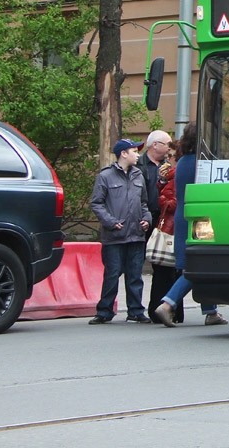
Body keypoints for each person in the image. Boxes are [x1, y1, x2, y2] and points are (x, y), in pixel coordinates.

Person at [154, 124, 228, 327]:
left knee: (199, 263)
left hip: (183, 216)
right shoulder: (202, 163)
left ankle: (211, 312)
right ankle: (168, 304)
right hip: (200, 220)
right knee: (199, 264)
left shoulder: (183, 162)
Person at [89, 138, 153, 324]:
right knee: (112, 274)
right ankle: (104, 311)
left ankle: (135, 311)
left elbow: (143, 203)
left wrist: (146, 220)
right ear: (123, 154)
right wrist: (110, 222)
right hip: (114, 236)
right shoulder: (105, 176)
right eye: (134, 151)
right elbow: (96, 203)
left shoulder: (138, 175)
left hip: (136, 235)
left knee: (135, 276)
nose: (138, 155)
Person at [147, 142, 184, 323]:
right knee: (168, 271)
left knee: (165, 271)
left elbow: (174, 202)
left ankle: (163, 309)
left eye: (170, 155)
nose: (167, 159)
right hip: (171, 227)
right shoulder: (171, 175)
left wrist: (162, 199)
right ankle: (173, 311)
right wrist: (162, 183)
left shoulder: (178, 173)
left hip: (171, 228)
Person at [139, 130, 174, 320]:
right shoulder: (138, 165)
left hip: (163, 221)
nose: (169, 149)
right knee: (136, 265)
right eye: (167, 144)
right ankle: (136, 309)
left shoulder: (168, 167)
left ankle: (162, 308)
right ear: (155, 145)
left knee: (163, 265)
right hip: (144, 220)